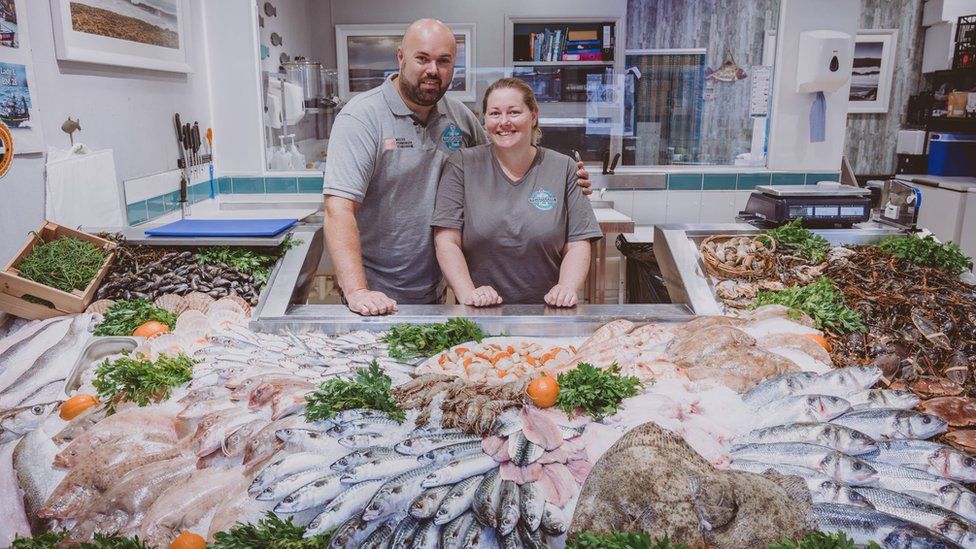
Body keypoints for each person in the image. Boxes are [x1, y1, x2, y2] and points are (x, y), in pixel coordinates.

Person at [323, 19, 591, 316]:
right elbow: (339, 209)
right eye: (422, 58)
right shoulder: (362, 118)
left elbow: (498, 160)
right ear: (400, 57)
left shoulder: (459, 117)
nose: (432, 70)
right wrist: (358, 291)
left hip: (435, 287)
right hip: (376, 291)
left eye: (444, 61)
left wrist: (564, 179)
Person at [432, 78, 603, 307]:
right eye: (494, 113)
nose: (504, 122)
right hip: (479, 311)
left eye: (513, 112)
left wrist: (566, 288)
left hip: (548, 311)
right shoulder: (462, 165)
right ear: (485, 120)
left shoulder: (563, 168)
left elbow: (578, 242)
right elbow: (446, 240)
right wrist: (467, 293)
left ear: (533, 116)